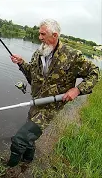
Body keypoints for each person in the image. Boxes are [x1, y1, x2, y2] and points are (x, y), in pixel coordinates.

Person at [7, 19, 100, 169]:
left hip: (51, 107)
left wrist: (77, 89)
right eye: (39, 33)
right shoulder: (39, 53)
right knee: (30, 136)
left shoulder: (73, 55)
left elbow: (95, 72)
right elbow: (32, 75)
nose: (40, 37)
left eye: (43, 34)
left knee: (19, 139)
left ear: (55, 35)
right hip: (36, 102)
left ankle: (9, 168)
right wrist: (21, 63)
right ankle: (28, 161)